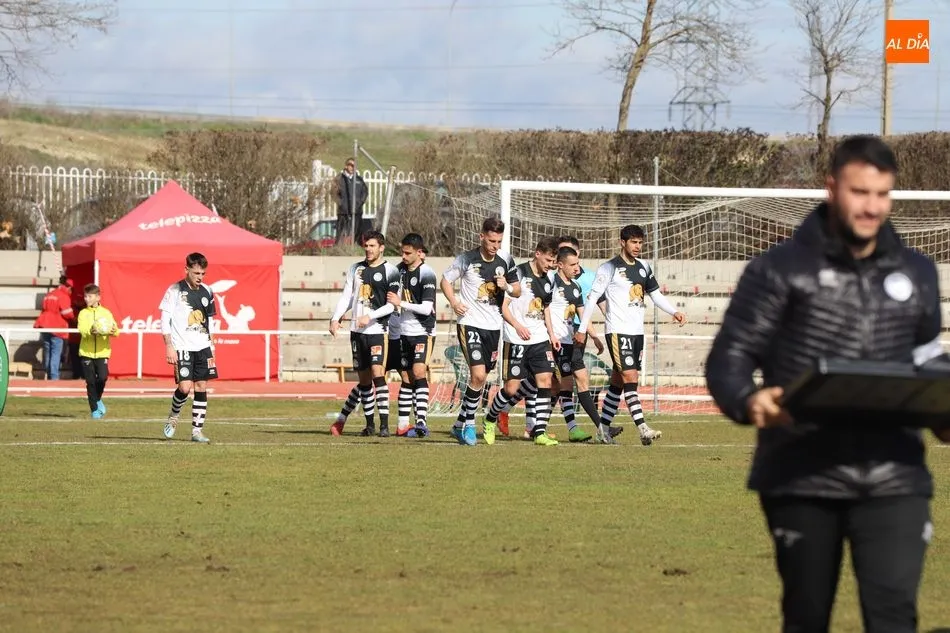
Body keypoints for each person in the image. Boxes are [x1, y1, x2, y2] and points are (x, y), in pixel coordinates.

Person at [705, 134, 950, 633]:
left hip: (895, 475)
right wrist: (749, 401)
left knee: (894, 617)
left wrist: (944, 408)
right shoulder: (777, 270)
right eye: (860, 193)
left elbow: (926, 357)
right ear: (832, 187)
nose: (872, 207)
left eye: (882, 194)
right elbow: (729, 358)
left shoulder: (917, 272)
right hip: (801, 472)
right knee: (807, 617)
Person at [576, 225, 687, 445]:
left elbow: (655, 295)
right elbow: (592, 298)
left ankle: (602, 431)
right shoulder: (609, 268)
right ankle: (643, 429)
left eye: (640, 242)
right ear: (622, 242)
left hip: (637, 333)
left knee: (618, 381)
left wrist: (673, 311)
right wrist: (581, 329)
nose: (637, 246)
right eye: (633, 242)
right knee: (631, 377)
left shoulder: (644, 267)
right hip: (618, 331)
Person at [440, 216, 521, 446]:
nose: (495, 246)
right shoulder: (467, 259)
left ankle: (458, 424)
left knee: (482, 377)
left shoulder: (506, 259)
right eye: (492, 241)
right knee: (478, 375)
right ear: (482, 236)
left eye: (499, 241)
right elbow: (445, 281)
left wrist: (507, 286)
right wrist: (454, 302)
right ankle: (469, 425)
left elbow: (517, 290)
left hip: (494, 327)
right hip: (470, 323)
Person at [482, 237, 560, 446]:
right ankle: (490, 418)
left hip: (539, 338)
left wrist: (552, 334)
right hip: (516, 338)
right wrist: (517, 326)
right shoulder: (518, 274)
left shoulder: (550, 278)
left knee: (545, 381)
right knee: (511, 389)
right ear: (537, 254)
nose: (550, 265)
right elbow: (504, 306)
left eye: (553, 261)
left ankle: (539, 432)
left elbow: (545, 307)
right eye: (548, 260)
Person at [329, 230, 401, 437]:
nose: (368, 249)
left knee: (378, 374)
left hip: (377, 330)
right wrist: (335, 318)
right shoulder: (355, 268)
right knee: (364, 380)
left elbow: (391, 305)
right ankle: (370, 425)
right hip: (357, 332)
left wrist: (370, 316)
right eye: (366, 246)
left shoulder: (391, 271)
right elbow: (347, 297)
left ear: (381, 248)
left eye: (372, 246)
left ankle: (384, 425)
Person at [545, 245, 606, 442]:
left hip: (569, 342)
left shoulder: (576, 286)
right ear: (560, 265)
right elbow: (544, 309)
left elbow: (582, 314)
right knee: (541, 384)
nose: (577, 268)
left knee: (574, 381)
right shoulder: (550, 283)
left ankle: (593, 428)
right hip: (554, 341)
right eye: (572, 265)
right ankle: (508, 412)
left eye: (577, 264)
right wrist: (549, 335)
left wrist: (594, 336)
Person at [160, 252, 219, 443]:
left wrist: (212, 346)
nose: (200, 277)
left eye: (203, 273)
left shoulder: (207, 291)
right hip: (182, 346)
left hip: (203, 346)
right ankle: (174, 415)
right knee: (184, 388)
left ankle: (197, 431)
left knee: (201, 385)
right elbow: (165, 319)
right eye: (196, 273)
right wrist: (169, 346)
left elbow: (210, 320)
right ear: (187, 270)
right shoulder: (175, 290)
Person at [387, 234, 437, 439]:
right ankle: (402, 425)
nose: (404, 256)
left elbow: (426, 308)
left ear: (419, 253)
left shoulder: (427, 273)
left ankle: (421, 421)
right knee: (406, 377)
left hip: (423, 331)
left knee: (418, 371)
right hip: (403, 332)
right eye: (402, 252)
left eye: (408, 253)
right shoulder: (398, 270)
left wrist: (400, 303)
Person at [76, 283, 119, 419]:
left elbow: (116, 330)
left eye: (90, 296)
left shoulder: (106, 313)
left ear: (98, 297)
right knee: (90, 381)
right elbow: (82, 330)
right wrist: (91, 331)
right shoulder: (83, 313)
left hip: (102, 352)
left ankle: (97, 398)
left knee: (102, 377)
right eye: (85, 296)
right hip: (86, 352)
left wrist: (113, 331)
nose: (86, 299)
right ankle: (94, 410)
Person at [34, 274, 74, 380]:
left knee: (48, 352)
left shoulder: (50, 294)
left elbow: (44, 308)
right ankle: (54, 377)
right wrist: (74, 316)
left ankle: (48, 374)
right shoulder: (64, 295)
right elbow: (67, 313)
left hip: (44, 325)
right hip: (57, 326)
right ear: (69, 287)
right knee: (56, 353)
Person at [335, 158, 368, 245]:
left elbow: (365, 192)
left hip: (357, 211)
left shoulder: (359, 180)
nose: (353, 167)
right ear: (346, 166)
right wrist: (341, 203)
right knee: (341, 232)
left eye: (355, 166)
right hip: (343, 212)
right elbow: (333, 193)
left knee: (357, 233)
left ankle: (356, 247)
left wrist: (360, 203)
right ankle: (339, 247)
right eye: (351, 165)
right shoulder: (339, 179)